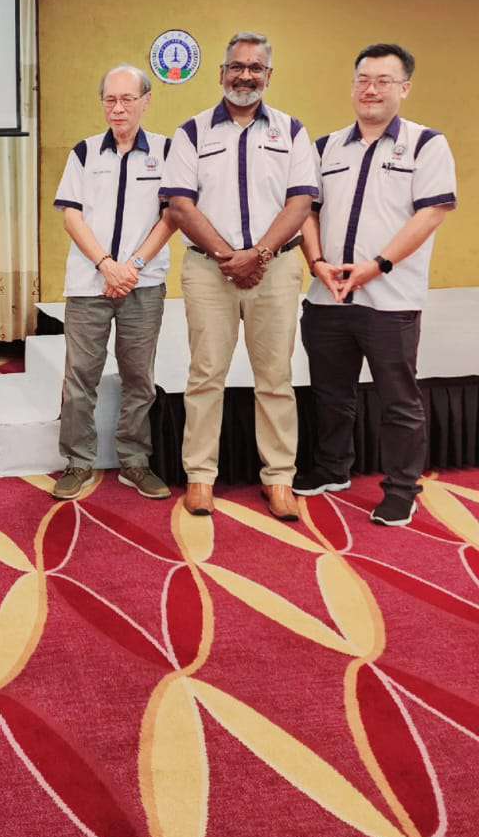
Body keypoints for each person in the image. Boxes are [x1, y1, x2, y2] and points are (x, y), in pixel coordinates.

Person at [297, 44, 456, 527]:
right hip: (327, 297)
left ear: (404, 88)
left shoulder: (426, 144)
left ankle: (402, 490)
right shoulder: (325, 147)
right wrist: (317, 263)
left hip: (390, 300)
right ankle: (332, 468)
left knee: (399, 402)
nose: (371, 89)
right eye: (363, 80)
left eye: (384, 81)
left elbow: (431, 213)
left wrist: (378, 265)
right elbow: (307, 211)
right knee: (331, 393)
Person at [163, 33, 318, 521]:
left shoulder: (292, 131)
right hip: (210, 271)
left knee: (275, 377)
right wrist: (231, 257)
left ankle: (279, 479)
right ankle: (200, 477)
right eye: (236, 66)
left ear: (268, 75)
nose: (244, 75)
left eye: (255, 68)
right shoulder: (192, 132)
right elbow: (180, 204)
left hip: (276, 270)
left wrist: (260, 254)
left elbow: (301, 202)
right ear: (221, 73)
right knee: (205, 374)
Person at [51, 64, 176, 502]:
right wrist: (107, 265)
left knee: (139, 377)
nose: (118, 108)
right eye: (110, 99)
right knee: (79, 378)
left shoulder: (166, 152)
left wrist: (132, 267)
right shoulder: (85, 152)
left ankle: (135, 461)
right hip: (89, 284)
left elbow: (171, 217)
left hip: (143, 283)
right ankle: (77, 461)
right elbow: (72, 216)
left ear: (146, 101)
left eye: (127, 99)